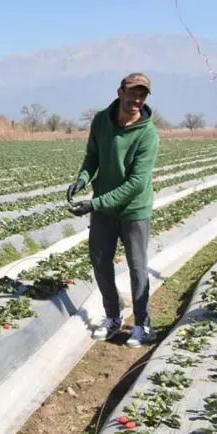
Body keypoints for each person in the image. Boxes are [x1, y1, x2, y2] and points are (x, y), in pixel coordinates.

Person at [66, 72, 159, 348]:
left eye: (142, 95)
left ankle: (143, 324)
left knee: (137, 267)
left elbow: (135, 184)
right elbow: (92, 155)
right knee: (100, 262)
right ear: (120, 92)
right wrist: (82, 178)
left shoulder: (148, 134)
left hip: (134, 210)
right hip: (104, 211)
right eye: (132, 93)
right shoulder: (101, 121)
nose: (136, 99)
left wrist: (93, 203)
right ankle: (113, 316)